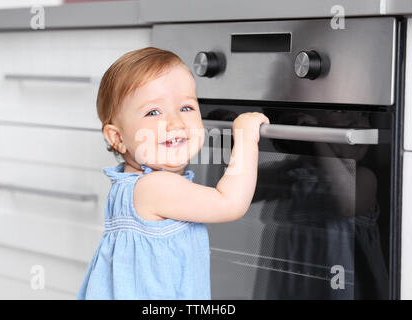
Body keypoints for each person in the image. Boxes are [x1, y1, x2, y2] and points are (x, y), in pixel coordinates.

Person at [76, 46, 269, 299]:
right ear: (117, 137)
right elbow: (231, 202)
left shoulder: (135, 184)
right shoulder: (155, 187)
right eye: (153, 112)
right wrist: (245, 139)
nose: (176, 122)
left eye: (187, 108)